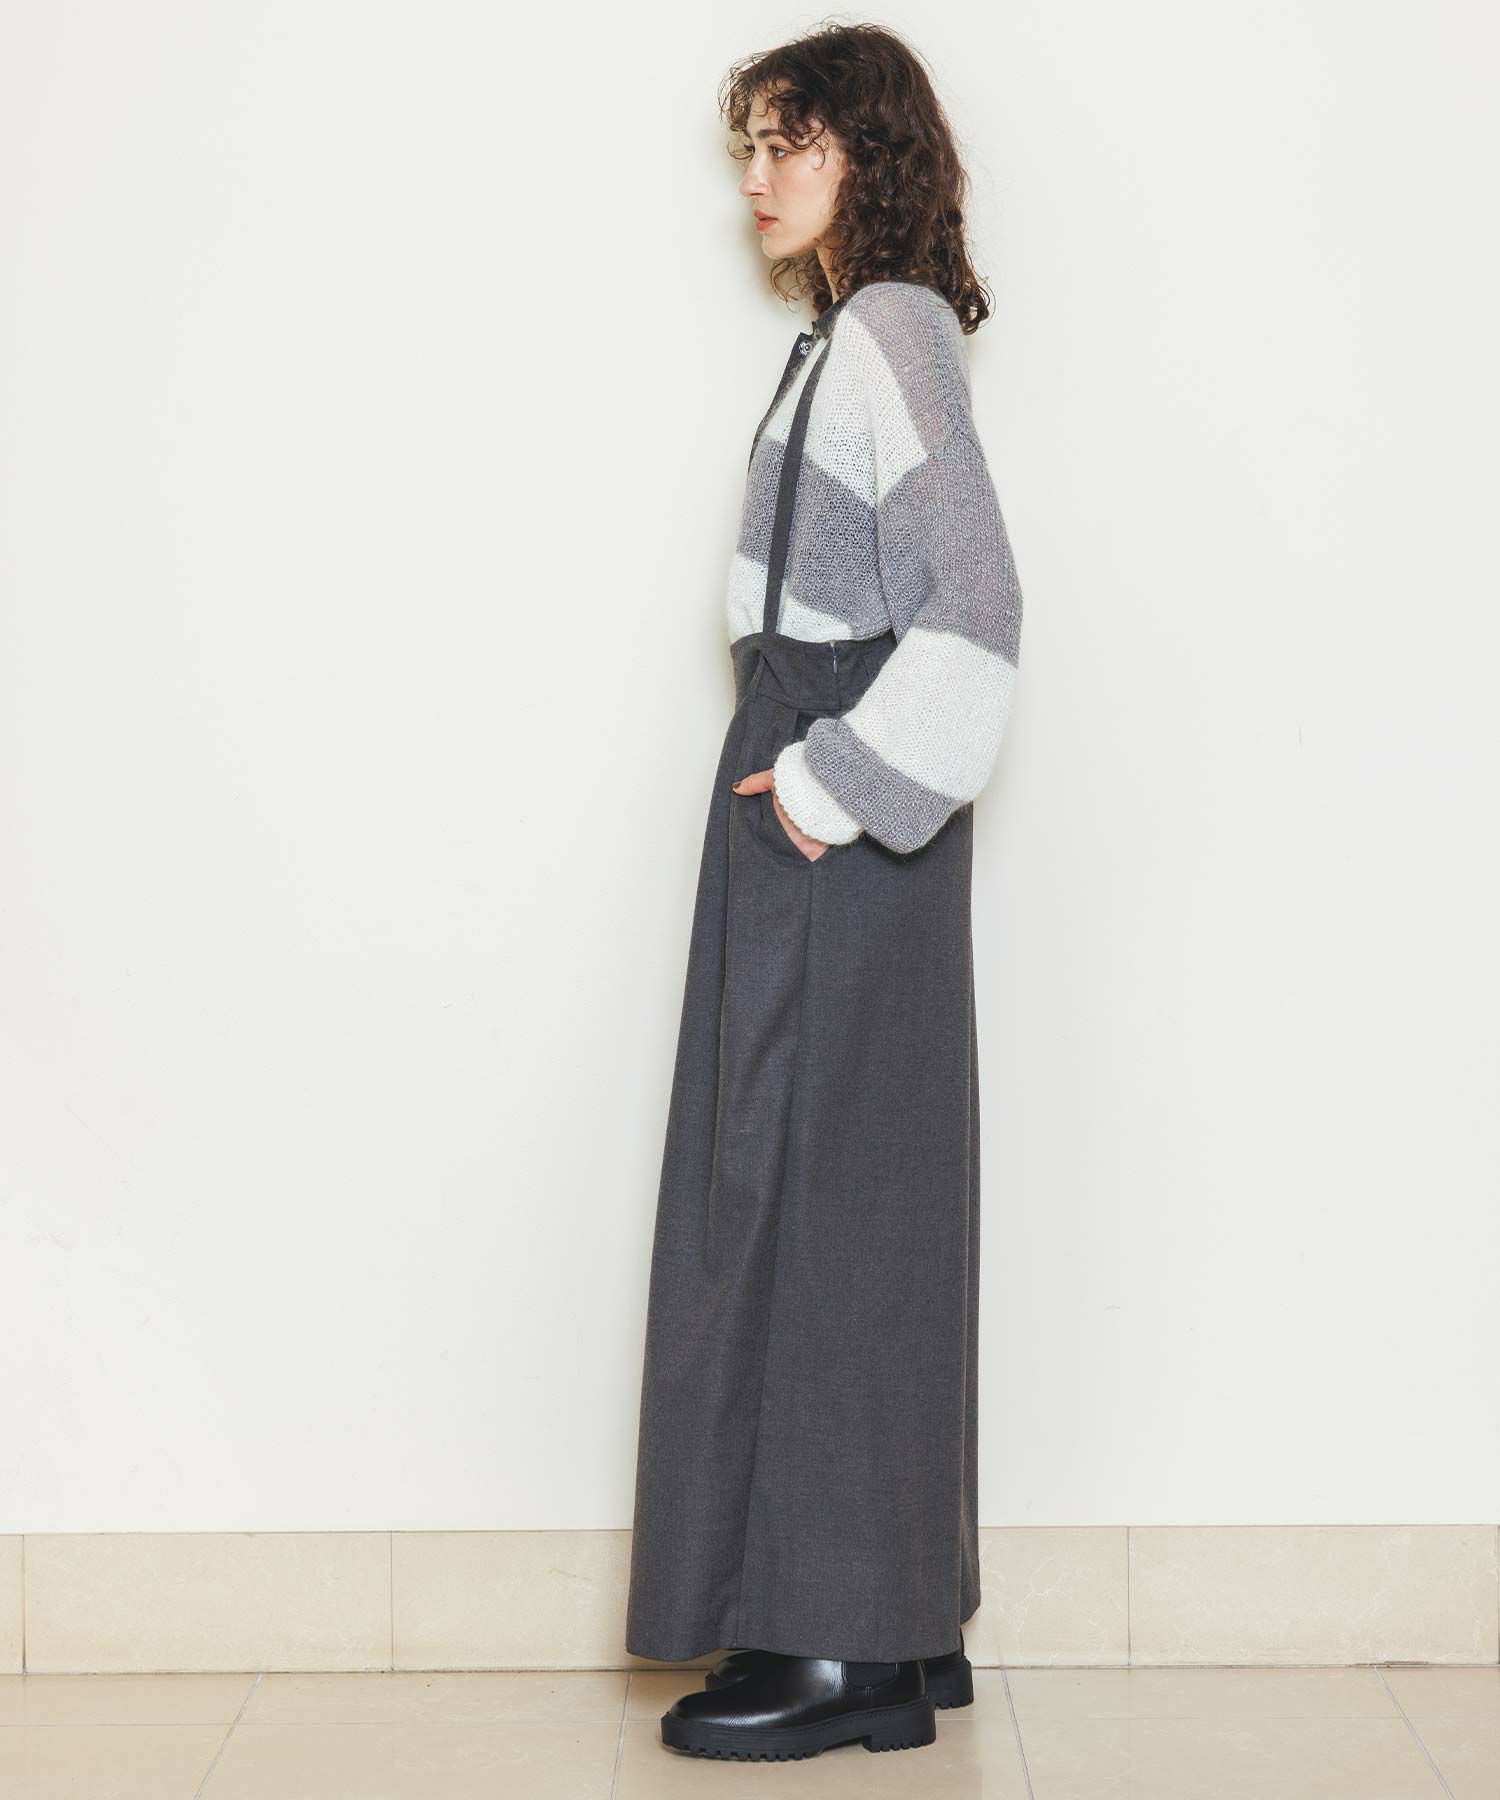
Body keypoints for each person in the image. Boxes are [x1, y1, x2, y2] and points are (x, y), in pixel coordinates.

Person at [624, 21, 1024, 1761]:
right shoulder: (852, 335)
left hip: (840, 831)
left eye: (793, 143)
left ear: (870, 153)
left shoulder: (889, 333)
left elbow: (976, 608)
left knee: (820, 1205)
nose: (759, 176)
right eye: (750, 146)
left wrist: (826, 788)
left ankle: (841, 1649)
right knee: (842, 1200)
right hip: (826, 817)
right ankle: (884, 1631)